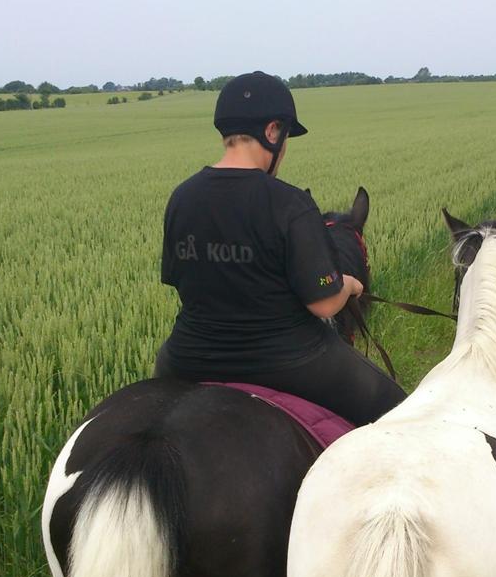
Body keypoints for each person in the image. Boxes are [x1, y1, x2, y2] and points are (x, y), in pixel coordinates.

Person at [155, 71, 406, 426]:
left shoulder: (182, 197)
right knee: (401, 411)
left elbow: (180, 282)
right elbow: (323, 303)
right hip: (289, 361)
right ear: (272, 132)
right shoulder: (289, 205)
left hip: (186, 357)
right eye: (286, 136)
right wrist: (348, 285)